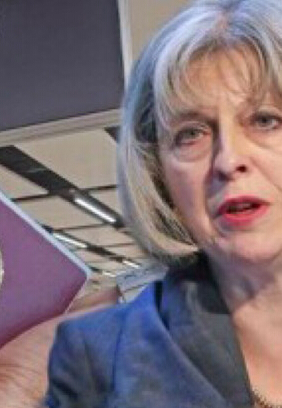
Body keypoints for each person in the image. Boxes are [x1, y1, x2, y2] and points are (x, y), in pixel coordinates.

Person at [45, 0, 282, 406]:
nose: (228, 160)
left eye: (265, 120)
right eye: (191, 134)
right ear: (161, 179)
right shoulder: (95, 368)